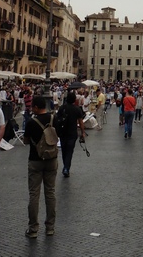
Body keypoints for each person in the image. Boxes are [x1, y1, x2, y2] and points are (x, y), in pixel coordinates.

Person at [24, 95, 61, 237]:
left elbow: (26, 141)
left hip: (35, 160)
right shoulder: (54, 119)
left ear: (36, 107)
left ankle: (33, 229)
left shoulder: (31, 122)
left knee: (34, 194)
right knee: (50, 193)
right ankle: (50, 227)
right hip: (52, 159)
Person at [56, 91, 86, 177]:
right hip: (72, 133)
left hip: (62, 132)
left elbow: (57, 119)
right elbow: (81, 122)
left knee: (64, 150)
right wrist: (82, 133)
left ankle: (65, 166)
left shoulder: (62, 108)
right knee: (69, 151)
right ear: (74, 100)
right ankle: (66, 168)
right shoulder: (77, 109)